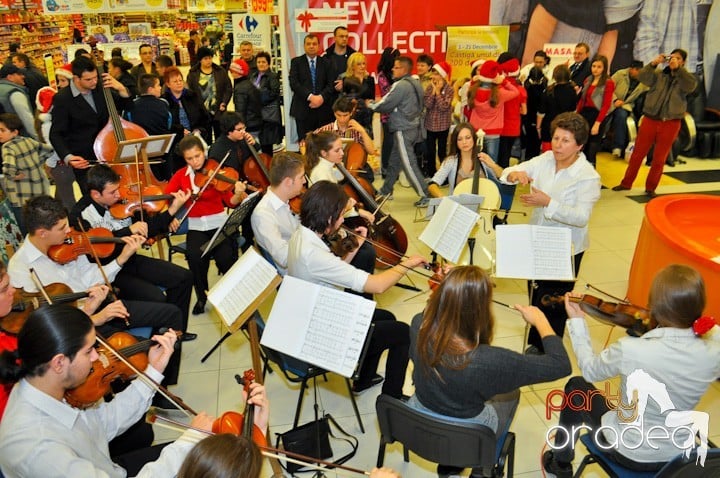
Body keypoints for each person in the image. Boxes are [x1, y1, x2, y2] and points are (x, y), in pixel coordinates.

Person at [0, 304, 269, 477]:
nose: (97, 357)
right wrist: (187, 441)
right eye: (89, 350)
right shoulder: (36, 448)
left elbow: (103, 422)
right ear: (59, 362)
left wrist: (152, 371)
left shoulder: (48, 387)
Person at [541, 264, 720, 477]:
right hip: (678, 457)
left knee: (576, 386)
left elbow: (590, 370)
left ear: (654, 306)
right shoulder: (714, 345)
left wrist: (578, 322)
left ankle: (560, 464)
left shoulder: (631, 350)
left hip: (627, 452)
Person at [409, 266, 571, 477]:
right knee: (511, 394)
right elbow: (561, 364)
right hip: (469, 432)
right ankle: (483, 468)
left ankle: (450, 467)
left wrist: (455, 284)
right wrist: (541, 321)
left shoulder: (418, 324)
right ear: (480, 310)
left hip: (419, 412)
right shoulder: (492, 361)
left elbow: (432, 311)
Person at [8, 195, 186, 386]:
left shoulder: (68, 244)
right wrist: (94, 317)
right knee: (143, 350)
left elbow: (90, 275)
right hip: (81, 329)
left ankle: (164, 384)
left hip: (102, 305)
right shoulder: (20, 269)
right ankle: (146, 391)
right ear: (42, 233)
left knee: (173, 314)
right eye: (61, 228)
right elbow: (49, 329)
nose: (68, 230)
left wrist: (121, 259)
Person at [287, 181, 427, 397]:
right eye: (341, 215)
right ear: (328, 218)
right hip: (327, 332)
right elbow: (378, 285)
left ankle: (363, 379)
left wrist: (357, 244)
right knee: (403, 333)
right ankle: (392, 397)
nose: (344, 220)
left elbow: (335, 269)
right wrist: (407, 264)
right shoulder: (313, 255)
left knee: (386, 316)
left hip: (318, 313)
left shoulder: (301, 234)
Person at [500, 112, 600, 353]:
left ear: (580, 145)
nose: (558, 145)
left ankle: (549, 348)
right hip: (538, 238)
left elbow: (581, 217)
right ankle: (535, 342)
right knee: (535, 291)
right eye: (556, 138)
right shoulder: (545, 159)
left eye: (566, 141)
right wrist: (515, 174)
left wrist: (548, 202)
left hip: (566, 247)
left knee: (553, 300)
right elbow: (509, 172)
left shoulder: (588, 176)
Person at [69, 164, 195, 339]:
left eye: (118, 189)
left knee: (184, 277)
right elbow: (94, 249)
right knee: (157, 298)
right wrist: (127, 232)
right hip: (111, 270)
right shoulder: (80, 215)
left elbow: (147, 229)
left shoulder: (123, 203)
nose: (119, 195)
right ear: (96, 194)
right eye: (112, 192)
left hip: (132, 260)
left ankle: (175, 330)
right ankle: (160, 335)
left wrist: (173, 209)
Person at [165, 135, 248, 316]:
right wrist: (169, 216)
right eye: (190, 158)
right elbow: (166, 199)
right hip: (196, 227)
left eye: (198, 156)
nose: (195, 162)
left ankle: (233, 296)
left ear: (204, 153)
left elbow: (231, 201)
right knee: (195, 258)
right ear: (184, 159)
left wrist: (238, 193)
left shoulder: (216, 171)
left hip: (219, 225)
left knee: (226, 257)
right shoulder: (180, 176)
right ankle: (202, 297)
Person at [612, 50, 697, 198]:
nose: (673, 60)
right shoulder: (658, 75)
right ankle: (626, 183)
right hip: (650, 119)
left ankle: (650, 188)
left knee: (659, 158)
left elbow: (691, 86)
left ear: (683, 62)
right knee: (637, 154)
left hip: (671, 122)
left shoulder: (685, 78)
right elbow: (642, 77)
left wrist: (678, 70)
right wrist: (653, 64)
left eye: (678, 59)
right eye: (672, 57)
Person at [49, 56, 133, 194]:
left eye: (95, 77)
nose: (94, 81)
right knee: (93, 198)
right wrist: (68, 157)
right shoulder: (63, 98)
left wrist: (122, 89)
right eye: (89, 79)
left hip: (110, 153)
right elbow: (56, 133)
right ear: (76, 78)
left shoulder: (101, 88)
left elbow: (128, 106)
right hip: (85, 159)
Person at [304, 130, 377, 285]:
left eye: (341, 148)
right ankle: (359, 289)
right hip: (329, 228)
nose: (342, 152)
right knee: (366, 253)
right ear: (324, 153)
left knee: (366, 249)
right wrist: (357, 210)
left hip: (336, 221)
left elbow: (340, 191)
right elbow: (333, 208)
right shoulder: (320, 173)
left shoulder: (327, 167)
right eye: (337, 150)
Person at [369, 55, 431, 206]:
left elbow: (385, 105)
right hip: (412, 127)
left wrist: (370, 104)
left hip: (403, 129)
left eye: (396, 67)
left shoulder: (400, 85)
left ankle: (426, 195)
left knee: (409, 163)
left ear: (403, 69)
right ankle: (386, 190)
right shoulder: (415, 82)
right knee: (395, 161)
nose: (392, 69)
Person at [250, 152, 306, 275]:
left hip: (303, 262)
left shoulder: (285, 202)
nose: (304, 181)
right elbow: (284, 258)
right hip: (296, 274)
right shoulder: (263, 214)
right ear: (288, 182)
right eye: (301, 177)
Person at [0, 113, 53, 233]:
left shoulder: (7, 147)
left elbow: (8, 168)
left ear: (15, 132)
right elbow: (49, 150)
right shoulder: (28, 141)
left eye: (2, 130)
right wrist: (35, 164)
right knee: (43, 225)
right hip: (40, 192)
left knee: (27, 230)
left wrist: (13, 174)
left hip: (21, 198)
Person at [427, 122, 506, 203]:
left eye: (468, 137)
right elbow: (432, 185)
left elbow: (504, 177)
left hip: (483, 205)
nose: (464, 142)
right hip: (458, 206)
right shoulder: (451, 161)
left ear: (474, 138)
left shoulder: (482, 158)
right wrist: (443, 198)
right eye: (459, 139)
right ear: (456, 142)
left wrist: (492, 165)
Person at [313, 96, 378, 185]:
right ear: (334, 113)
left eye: (345, 115)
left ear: (351, 113)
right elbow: (309, 146)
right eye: (339, 115)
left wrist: (362, 131)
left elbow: (371, 151)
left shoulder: (357, 130)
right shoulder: (326, 130)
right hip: (332, 171)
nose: (342, 119)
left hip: (354, 171)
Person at [467, 60, 519, 163]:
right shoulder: (500, 93)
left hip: (475, 129)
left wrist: (474, 80)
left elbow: (470, 86)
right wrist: (503, 81)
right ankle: (489, 179)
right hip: (494, 132)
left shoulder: (472, 90)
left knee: (475, 160)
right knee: (491, 162)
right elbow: (515, 92)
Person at [123, 73, 173, 180]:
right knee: (166, 180)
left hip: (141, 153)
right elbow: (169, 123)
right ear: (150, 89)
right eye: (158, 85)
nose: (160, 88)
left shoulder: (131, 106)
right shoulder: (163, 104)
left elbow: (127, 128)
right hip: (163, 149)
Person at [163, 66, 212, 171]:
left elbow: (205, 117)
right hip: (177, 143)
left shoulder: (192, 96)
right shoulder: (164, 101)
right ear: (168, 84)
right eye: (175, 81)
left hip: (196, 137)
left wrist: (198, 129)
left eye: (180, 80)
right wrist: (180, 130)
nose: (179, 83)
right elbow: (165, 124)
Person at [289, 34, 335, 141]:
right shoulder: (296, 62)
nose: (311, 46)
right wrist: (311, 97)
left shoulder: (326, 62)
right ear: (304, 46)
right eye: (308, 44)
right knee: (305, 143)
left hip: (323, 110)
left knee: (323, 143)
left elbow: (331, 84)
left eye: (314, 44)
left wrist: (321, 97)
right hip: (302, 109)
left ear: (318, 46)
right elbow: (294, 83)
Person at [576, 54, 615, 167]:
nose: (595, 69)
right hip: (584, 113)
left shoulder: (608, 83)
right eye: (594, 66)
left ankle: (591, 172)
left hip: (597, 115)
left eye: (599, 67)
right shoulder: (588, 79)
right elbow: (582, 100)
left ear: (604, 68)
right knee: (582, 145)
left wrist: (597, 123)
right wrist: (577, 114)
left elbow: (606, 105)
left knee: (592, 147)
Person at [187, 46, 232, 142]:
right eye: (205, 58)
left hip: (218, 111)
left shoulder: (220, 71)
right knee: (205, 140)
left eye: (210, 58)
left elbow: (228, 88)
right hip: (202, 113)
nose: (208, 61)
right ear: (200, 60)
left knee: (221, 138)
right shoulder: (193, 74)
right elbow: (190, 92)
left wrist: (224, 102)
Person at [608, 60, 648, 158]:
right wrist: (615, 99)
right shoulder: (620, 74)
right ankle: (616, 146)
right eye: (637, 70)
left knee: (623, 115)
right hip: (613, 103)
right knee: (620, 115)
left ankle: (621, 147)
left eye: (640, 70)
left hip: (628, 106)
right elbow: (608, 88)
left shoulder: (643, 82)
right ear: (631, 69)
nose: (638, 72)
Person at [423, 61, 453, 178]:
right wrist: (434, 92)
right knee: (430, 152)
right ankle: (432, 175)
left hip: (443, 126)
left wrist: (439, 92)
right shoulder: (429, 87)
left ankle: (444, 176)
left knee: (442, 152)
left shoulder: (449, 89)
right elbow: (428, 104)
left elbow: (444, 107)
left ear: (443, 75)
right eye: (433, 74)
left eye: (437, 74)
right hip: (430, 125)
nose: (434, 77)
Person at [537, 65, 577, 152]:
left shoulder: (549, 91)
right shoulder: (572, 91)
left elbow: (541, 113)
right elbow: (574, 112)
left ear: (554, 76)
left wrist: (538, 127)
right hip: (566, 126)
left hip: (548, 127)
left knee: (547, 155)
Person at [497, 55, 527, 169]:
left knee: (498, 156)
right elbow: (524, 111)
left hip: (500, 126)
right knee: (507, 155)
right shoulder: (521, 89)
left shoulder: (499, 88)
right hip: (514, 126)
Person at [250, 51, 283, 157]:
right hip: (256, 115)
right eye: (259, 62)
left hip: (269, 116)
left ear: (268, 63)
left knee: (267, 145)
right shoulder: (253, 76)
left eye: (263, 62)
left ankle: (268, 168)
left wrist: (256, 97)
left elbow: (273, 93)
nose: (261, 64)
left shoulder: (273, 76)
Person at [376, 47, 399, 177]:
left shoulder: (397, 73)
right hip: (387, 116)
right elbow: (389, 93)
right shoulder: (382, 76)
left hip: (399, 115)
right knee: (388, 143)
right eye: (395, 59)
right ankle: (385, 169)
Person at [0, 64, 38, 140]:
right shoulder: (15, 93)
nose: (23, 76)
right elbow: (26, 118)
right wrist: (38, 137)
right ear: (10, 77)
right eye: (19, 74)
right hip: (21, 139)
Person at [229, 59, 262, 141]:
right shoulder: (249, 84)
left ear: (237, 72)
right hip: (256, 122)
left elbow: (240, 110)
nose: (231, 73)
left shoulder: (240, 88)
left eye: (232, 71)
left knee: (249, 149)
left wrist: (239, 127)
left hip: (248, 125)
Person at [522, 65, 548, 160]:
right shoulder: (528, 85)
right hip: (533, 116)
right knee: (532, 141)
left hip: (534, 116)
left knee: (532, 141)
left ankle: (530, 158)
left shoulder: (529, 84)